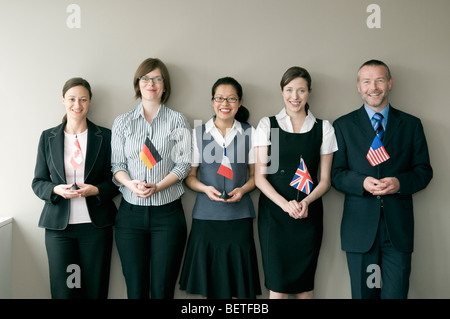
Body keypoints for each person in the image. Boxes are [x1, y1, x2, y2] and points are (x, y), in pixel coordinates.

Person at [331, 59, 433, 299]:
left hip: (397, 230)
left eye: (379, 80)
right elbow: (336, 174)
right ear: (358, 86)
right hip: (359, 230)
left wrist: (399, 183)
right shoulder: (343, 125)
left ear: (389, 83)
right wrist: (361, 183)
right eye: (366, 81)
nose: (373, 87)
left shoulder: (411, 124)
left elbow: (424, 171)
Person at [32, 77, 119, 298]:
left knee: (94, 290)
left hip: (96, 227)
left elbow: (117, 180)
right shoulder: (48, 137)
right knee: (65, 292)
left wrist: (96, 190)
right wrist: (56, 190)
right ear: (63, 100)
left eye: (83, 99)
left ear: (90, 102)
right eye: (72, 99)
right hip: (60, 229)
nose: (77, 105)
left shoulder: (106, 136)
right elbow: (38, 182)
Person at [111, 58, 191, 299]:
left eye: (157, 79)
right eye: (145, 78)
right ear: (138, 83)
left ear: (164, 86)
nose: (151, 83)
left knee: (162, 290)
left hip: (167, 215)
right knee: (135, 290)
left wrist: (158, 186)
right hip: (130, 216)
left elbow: (184, 164)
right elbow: (117, 165)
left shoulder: (177, 120)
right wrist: (130, 184)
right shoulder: (122, 122)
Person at [254, 67, 337, 299]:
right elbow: (260, 178)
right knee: (277, 289)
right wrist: (285, 205)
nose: (295, 96)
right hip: (274, 217)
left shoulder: (324, 128)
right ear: (282, 92)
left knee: (305, 289)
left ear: (309, 92)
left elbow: (325, 180)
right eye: (289, 90)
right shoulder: (266, 125)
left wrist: (305, 203)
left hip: (308, 215)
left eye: (301, 90)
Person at [179, 77, 261, 299]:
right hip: (206, 219)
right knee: (211, 288)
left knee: (237, 289)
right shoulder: (198, 133)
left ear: (239, 102)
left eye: (231, 98)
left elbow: (256, 176)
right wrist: (205, 189)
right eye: (219, 98)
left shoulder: (250, 133)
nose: (225, 103)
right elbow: (190, 177)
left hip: (238, 218)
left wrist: (243, 190)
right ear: (212, 101)